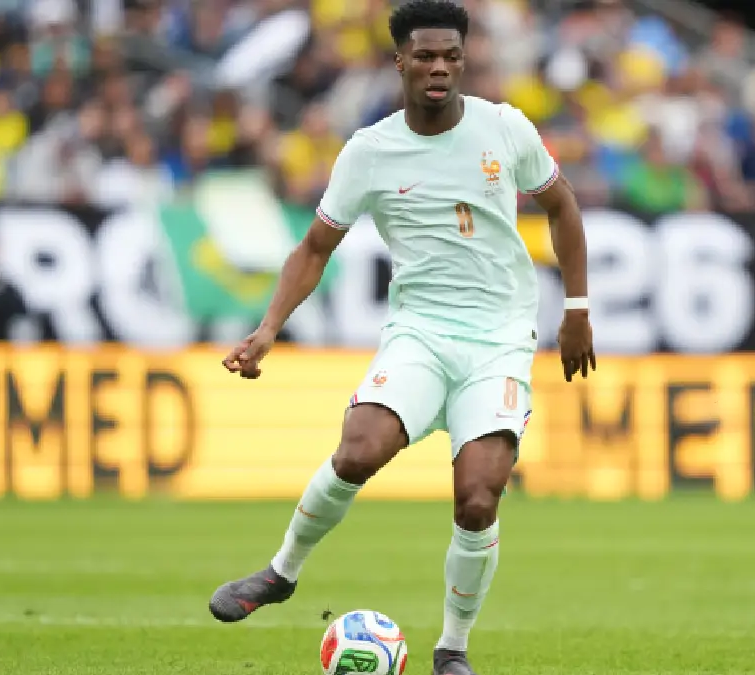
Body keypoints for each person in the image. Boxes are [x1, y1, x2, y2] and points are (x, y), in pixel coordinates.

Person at [208, 2, 596, 675]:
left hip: (499, 339)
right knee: (358, 450)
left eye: (451, 55)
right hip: (418, 333)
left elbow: (562, 205)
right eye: (425, 56)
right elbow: (314, 246)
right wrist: (269, 328)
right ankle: (280, 572)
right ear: (400, 62)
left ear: (464, 59)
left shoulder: (504, 129)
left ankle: (452, 649)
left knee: (478, 496)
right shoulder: (370, 151)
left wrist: (579, 308)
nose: (439, 67)